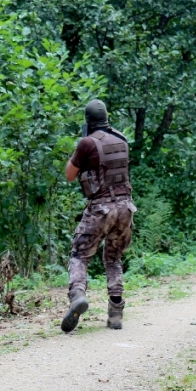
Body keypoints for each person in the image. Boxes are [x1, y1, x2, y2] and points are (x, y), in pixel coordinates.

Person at [62, 100, 136, 332]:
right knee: (113, 258)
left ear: (88, 120)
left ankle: (77, 296)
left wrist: (79, 149)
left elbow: (69, 175)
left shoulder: (87, 142)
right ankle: (115, 314)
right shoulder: (122, 140)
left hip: (101, 208)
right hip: (125, 207)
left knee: (79, 255)